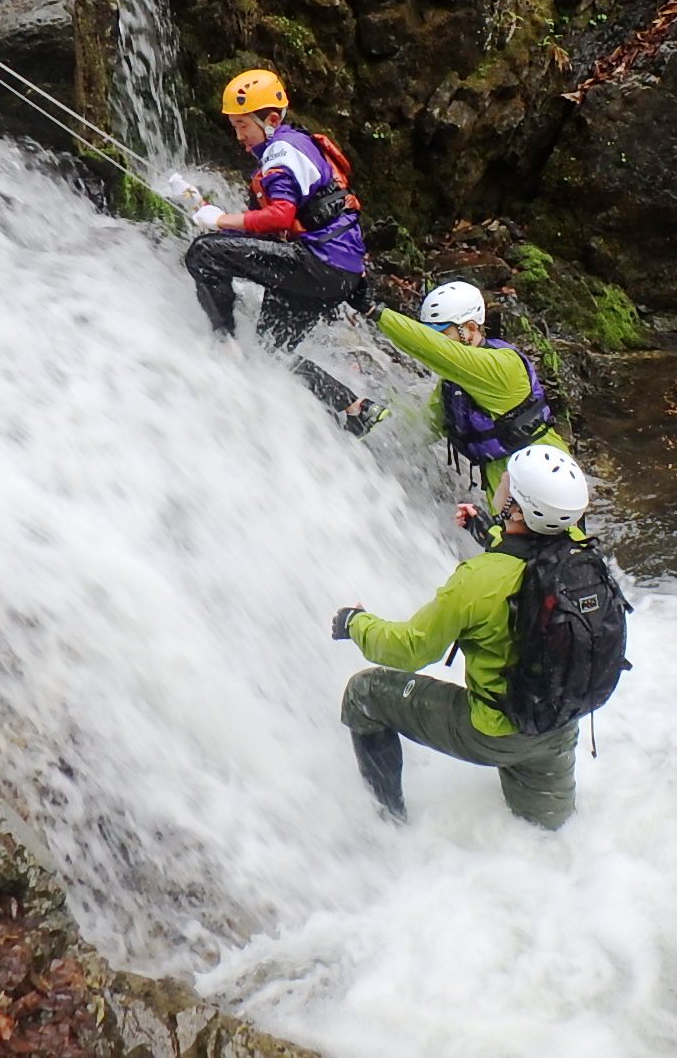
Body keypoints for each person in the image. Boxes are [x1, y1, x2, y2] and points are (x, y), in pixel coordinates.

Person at [333, 445, 598, 828]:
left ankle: (388, 825)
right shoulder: (583, 557)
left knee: (364, 693)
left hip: (494, 732)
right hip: (559, 724)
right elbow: (534, 557)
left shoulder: (478, 580)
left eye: (510, 481)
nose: (502, 480)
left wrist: (354, 623)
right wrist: (489, 530)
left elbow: (408, 649)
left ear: (518, 510)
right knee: (548, 834)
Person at [182, 68, 385, 435]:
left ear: (271, 120)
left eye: (243, 125)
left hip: (317, 264)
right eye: (234, 126)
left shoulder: (280, 154)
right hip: (340, 272)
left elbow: (280, 216)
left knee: (204, 254)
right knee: (269, 354)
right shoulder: (299, 144)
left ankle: (223, 344)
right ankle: (355, 407)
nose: (239, 135)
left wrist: (221, 220)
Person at [373, 280, 568, 499]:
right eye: (430, 334)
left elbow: (435, 351)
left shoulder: (502, 365)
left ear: (471, 328)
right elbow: (425, 426)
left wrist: (376, 312)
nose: (435, 341)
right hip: (503, 481)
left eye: (442, 334)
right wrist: (373, 434)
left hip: (547, 477)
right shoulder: (454, 381)